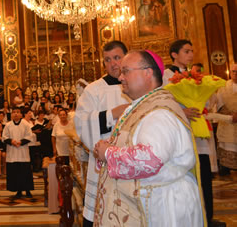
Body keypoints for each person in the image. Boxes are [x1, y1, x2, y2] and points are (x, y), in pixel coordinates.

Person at [93, 50, 204, 226]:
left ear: (148, 72)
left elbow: (150, 159)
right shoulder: (143, 106)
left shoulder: (159, 112)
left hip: (161, 206)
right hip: (149, 199)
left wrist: (108, 153)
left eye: (126, 71)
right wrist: (109, 149)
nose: (121, 77)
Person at [162, 39, 223, 227]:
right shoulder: (166, 75)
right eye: (187, 51)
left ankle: (208, 216)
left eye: (192, 51)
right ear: (174, 54)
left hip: (198, 129)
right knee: (188, 176)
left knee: (204, 174)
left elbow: (206, 98)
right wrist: (183, 111)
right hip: (180, 132)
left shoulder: (194, 75)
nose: (191, 54)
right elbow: (163, 102)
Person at [74, 40, 131, 226]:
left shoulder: (137, 83)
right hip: (103, 162)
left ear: (126, 57)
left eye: (117, 57)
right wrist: (111, 114)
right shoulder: (94, 90)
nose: (113, 63)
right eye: (107, 60)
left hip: (133, 160)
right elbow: (81, 124)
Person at [2, 107, 34, 199]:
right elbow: (4, 137)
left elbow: (29, 136)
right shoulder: (8, 125)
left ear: (21, 114)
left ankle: (27, 190)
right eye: (14, 112)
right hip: (12, 152)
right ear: (11, 114)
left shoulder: (26, 124)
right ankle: (18, 191)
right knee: (15, 172)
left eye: (18, 112)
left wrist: (21, 142)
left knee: (25, 171)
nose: (16, 114)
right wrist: (11, 141)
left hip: (23, 151)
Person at [213, 63, 237, 172]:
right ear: (230, 73)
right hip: (228, 125)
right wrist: (230, 115)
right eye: (234, 71)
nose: (236, 74)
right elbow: (218, 106)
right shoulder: (223, 87)